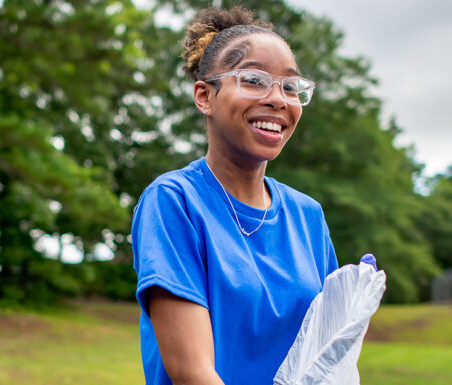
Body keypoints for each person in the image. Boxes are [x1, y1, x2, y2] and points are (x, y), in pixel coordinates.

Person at [131, 7, 339, 385]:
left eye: (290, 87)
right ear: (204, 97)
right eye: (255, 80)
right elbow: (192, 373)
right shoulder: (174, 202)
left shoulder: (308, 216)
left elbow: (325, 360)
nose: (278, 99)